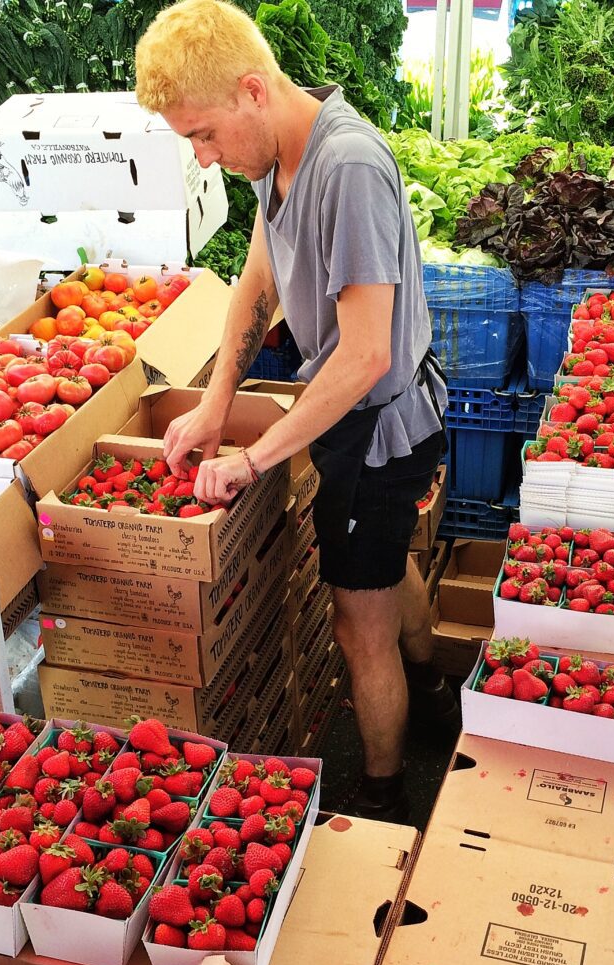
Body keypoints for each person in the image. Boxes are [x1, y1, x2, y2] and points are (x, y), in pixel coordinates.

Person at [134, 0, 456, 823]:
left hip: (378, 422)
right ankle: (435, 687)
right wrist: (214, 409)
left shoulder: (345, 168)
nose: (203, 158)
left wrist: (254, 455)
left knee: (357, 626)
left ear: (251, 89)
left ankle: (385, 788)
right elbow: (258, 281)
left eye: (203, 134)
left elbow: (365, 354)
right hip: (354, 413)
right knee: (380, 566)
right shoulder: (277, 156)